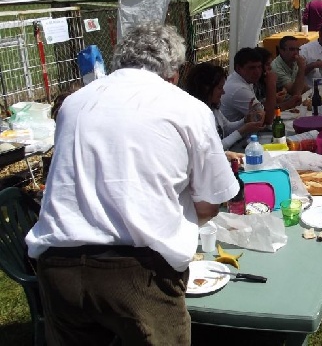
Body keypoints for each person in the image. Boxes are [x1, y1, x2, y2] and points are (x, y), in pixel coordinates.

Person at [25, 22, 239, 346]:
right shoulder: (188, 108)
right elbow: (212, 202)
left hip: (59, 265)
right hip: (137, 270)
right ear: (174, 71)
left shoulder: (75, 103)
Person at [184, 62, 264, 156]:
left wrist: (245, 120)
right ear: (206, 88)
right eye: (219, 88)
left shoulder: (214, 108)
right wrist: (242, 131)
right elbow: (215, 148)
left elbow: (227, 127)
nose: (223, 92)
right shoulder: (197, 116)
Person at [220, 47, 268, 125]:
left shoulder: (242, 79)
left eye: (259, 67)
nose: (257, 72)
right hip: (236, 135)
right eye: (252, 68)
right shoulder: (239, 89)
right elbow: (267, 120)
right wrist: (271, 85)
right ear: (238, 68)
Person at [256, 46, 301, 111]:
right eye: (267, 64)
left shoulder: (262, 80)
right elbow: (262, 111)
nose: (270, 68)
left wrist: (278, 96)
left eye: (297, 49)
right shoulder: (250, 85)